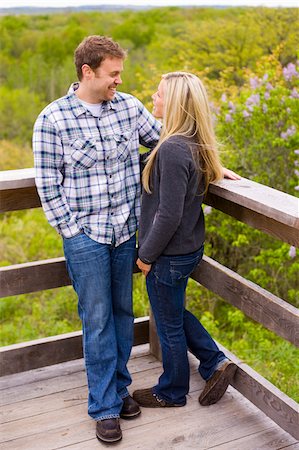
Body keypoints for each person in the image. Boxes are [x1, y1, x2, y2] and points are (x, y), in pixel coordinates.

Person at [32, 35, 162, 444]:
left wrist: (214, 165)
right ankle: (104, 407)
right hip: (85, 236)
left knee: (123, 314)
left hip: (125, 232)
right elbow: (48, 188)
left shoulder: (128, 108)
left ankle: (120, 389)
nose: (119, 81)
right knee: (98, 319)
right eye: (113, 74)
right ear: (87, 72)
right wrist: (72, 231)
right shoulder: (52, 120)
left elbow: (165, 144)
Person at [133, 72, 238, 410]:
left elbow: (168, 214)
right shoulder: (190, 142)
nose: (153, 97)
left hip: (168, 254)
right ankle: (214, 361)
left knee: (168, 326)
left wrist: (146, 255)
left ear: (176, 102)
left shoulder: (174, 149)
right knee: (172, 313)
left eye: (160, 94)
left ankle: (172, 391)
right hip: (187, 249)